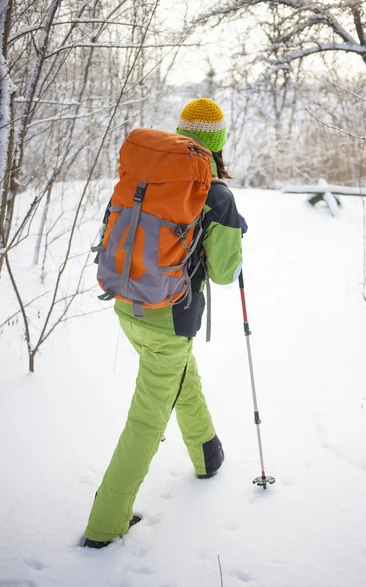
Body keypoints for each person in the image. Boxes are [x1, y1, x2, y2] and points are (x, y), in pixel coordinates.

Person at [83, 98, 245, 548]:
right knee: (146, 420)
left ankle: (207, 453)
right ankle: (104, 525)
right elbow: (225, 273)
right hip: (168, 320)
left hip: (125, 305)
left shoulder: (145, 177)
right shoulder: (216, 195)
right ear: (217, 143)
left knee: (179, 378)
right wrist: (234, 233)